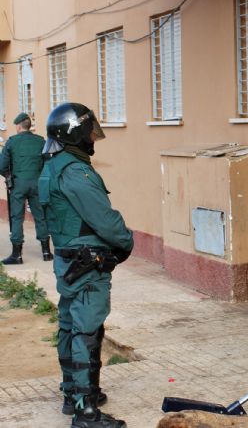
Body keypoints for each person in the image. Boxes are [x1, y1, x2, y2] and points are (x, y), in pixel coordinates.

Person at [38, 102, 133, 428]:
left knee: (69, 325)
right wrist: (126, 241)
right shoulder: (76, 171)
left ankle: (73, 393)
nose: (93, 139)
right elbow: (104, 220)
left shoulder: (52, 165)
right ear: (76, 134)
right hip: (86, 262)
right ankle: (86, 411)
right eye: (89, 132)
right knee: (87, 332)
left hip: (67, 258)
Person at [0, 112, 53, 264]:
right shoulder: (40, 141)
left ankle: (17, 255)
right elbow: (47, 163)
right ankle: (46, 252)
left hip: (18, 184)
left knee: (17, 217)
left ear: (18, 126)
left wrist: (9, 176)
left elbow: (2, 166)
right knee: (40, 216)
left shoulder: (11, 142)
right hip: (37, 183)